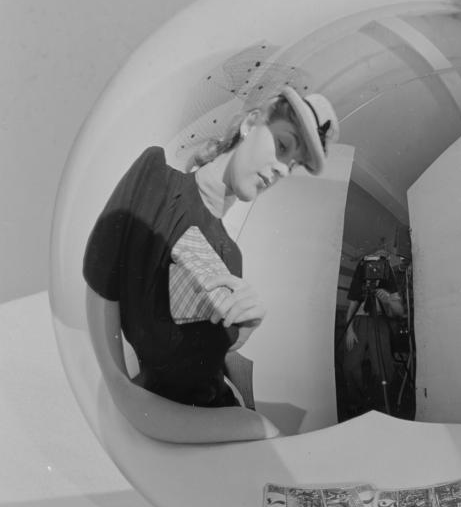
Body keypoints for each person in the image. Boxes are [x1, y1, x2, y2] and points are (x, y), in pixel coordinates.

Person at [83, 86, 339, 410]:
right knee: (265, 431)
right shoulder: (157, 180)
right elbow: (101, 287)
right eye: (284, 145)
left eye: (294, 165)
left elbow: (201, 357)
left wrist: (245, 329)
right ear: (250, 124)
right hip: (167, 413)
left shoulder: (231, 257)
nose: (283, 170)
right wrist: (118, 387)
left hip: (216, 406)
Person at [339, 249, 406, 417]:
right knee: (350, 366)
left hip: (380, 321)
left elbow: (400, 311)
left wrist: (389, 299)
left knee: (383, 368)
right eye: (372, 261)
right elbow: (353, 303)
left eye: (380, 262)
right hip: (360, 320)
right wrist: (349, 330)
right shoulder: (361, 271)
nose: (375, 267)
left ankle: (379, 405)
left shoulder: (388, 277)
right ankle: (357, 402)